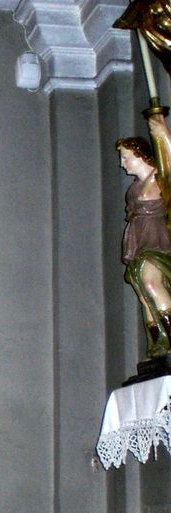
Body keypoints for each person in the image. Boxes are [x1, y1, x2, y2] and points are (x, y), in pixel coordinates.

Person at [116, 119, 171, 357]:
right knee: (142, 291)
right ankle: (159, 342)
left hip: (156, 237)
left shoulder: (160, 176)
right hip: (137, 239)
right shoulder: (136, 187)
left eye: (126, 157)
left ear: (140, 155)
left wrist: (163, 133)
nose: (122, 163)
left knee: (150, 281)